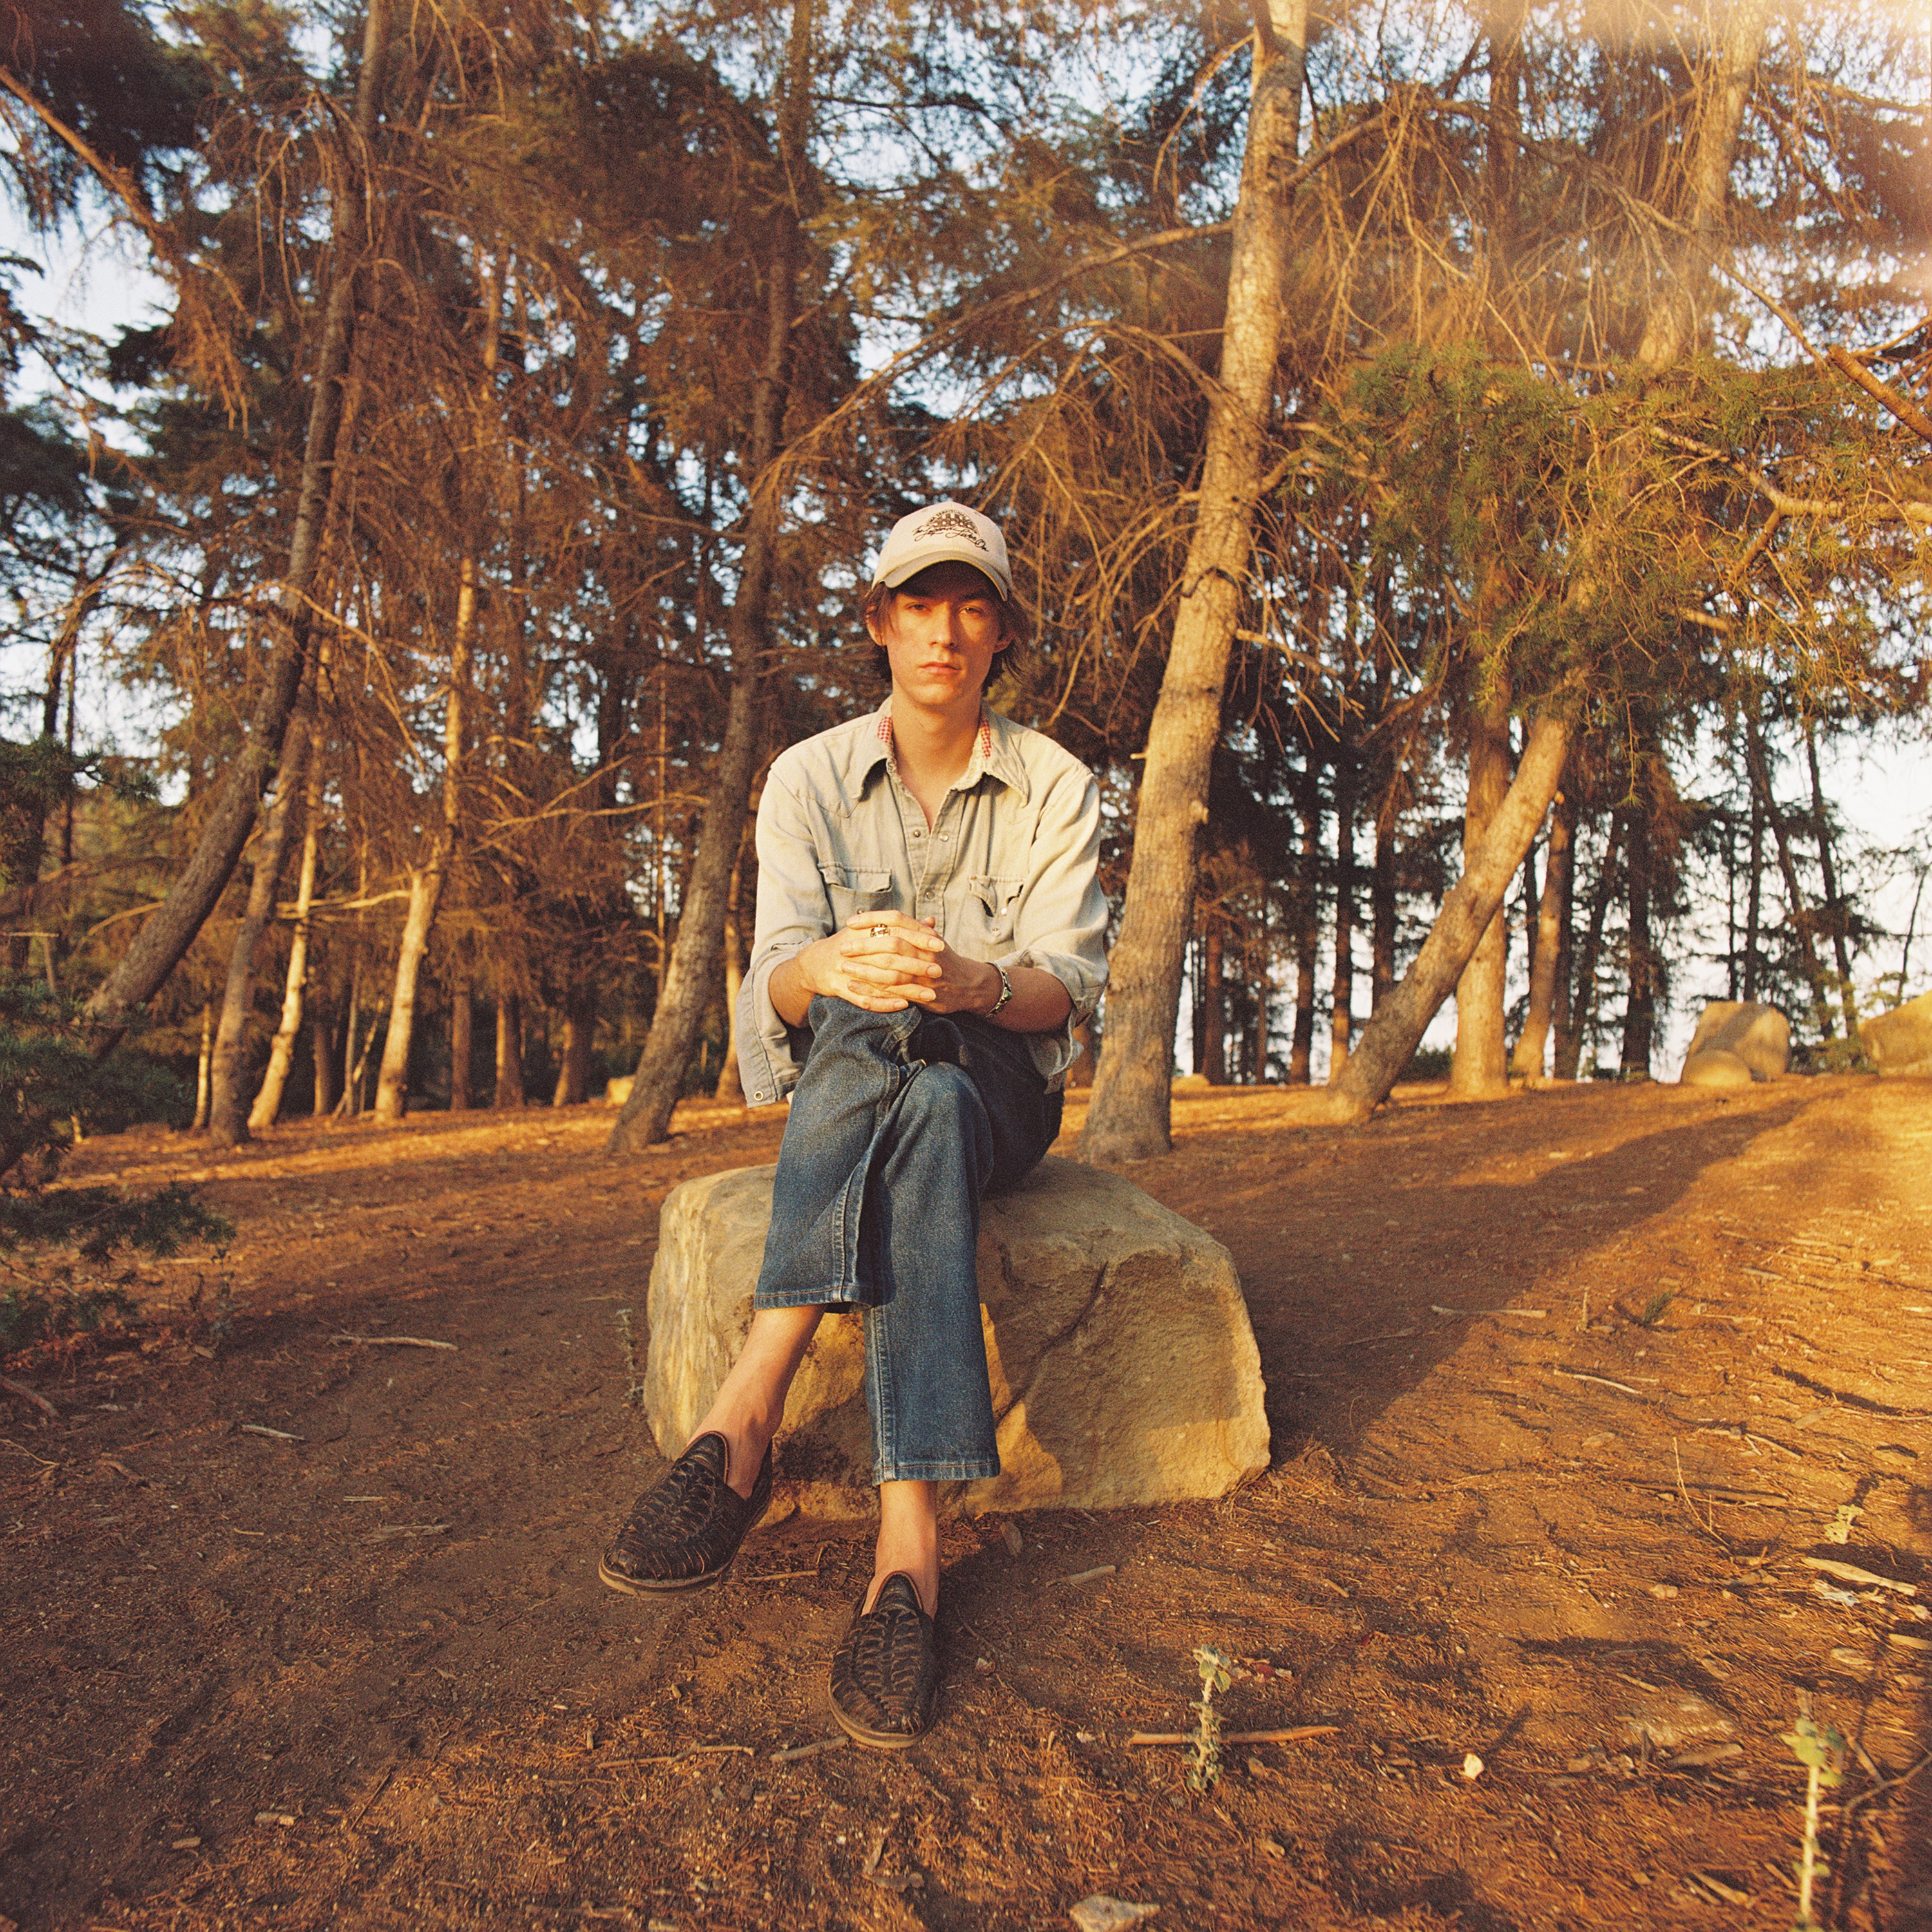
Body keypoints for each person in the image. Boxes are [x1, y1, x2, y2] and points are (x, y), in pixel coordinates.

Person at [598, 501, 1108, 1748]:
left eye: (972, 608)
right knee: (899, 1069)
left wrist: (970, 984)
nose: (944, 632)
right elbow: (775, 986)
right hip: (905, 1094)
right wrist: (826, 965)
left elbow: (1065, 992)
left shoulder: (1054, 783)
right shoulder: (808, 776)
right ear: (880, 622)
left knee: (925, 1039)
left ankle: (747, 1408)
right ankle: (907, 1557)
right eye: (919, 605)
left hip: (1005, 1089)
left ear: (1001, 633)